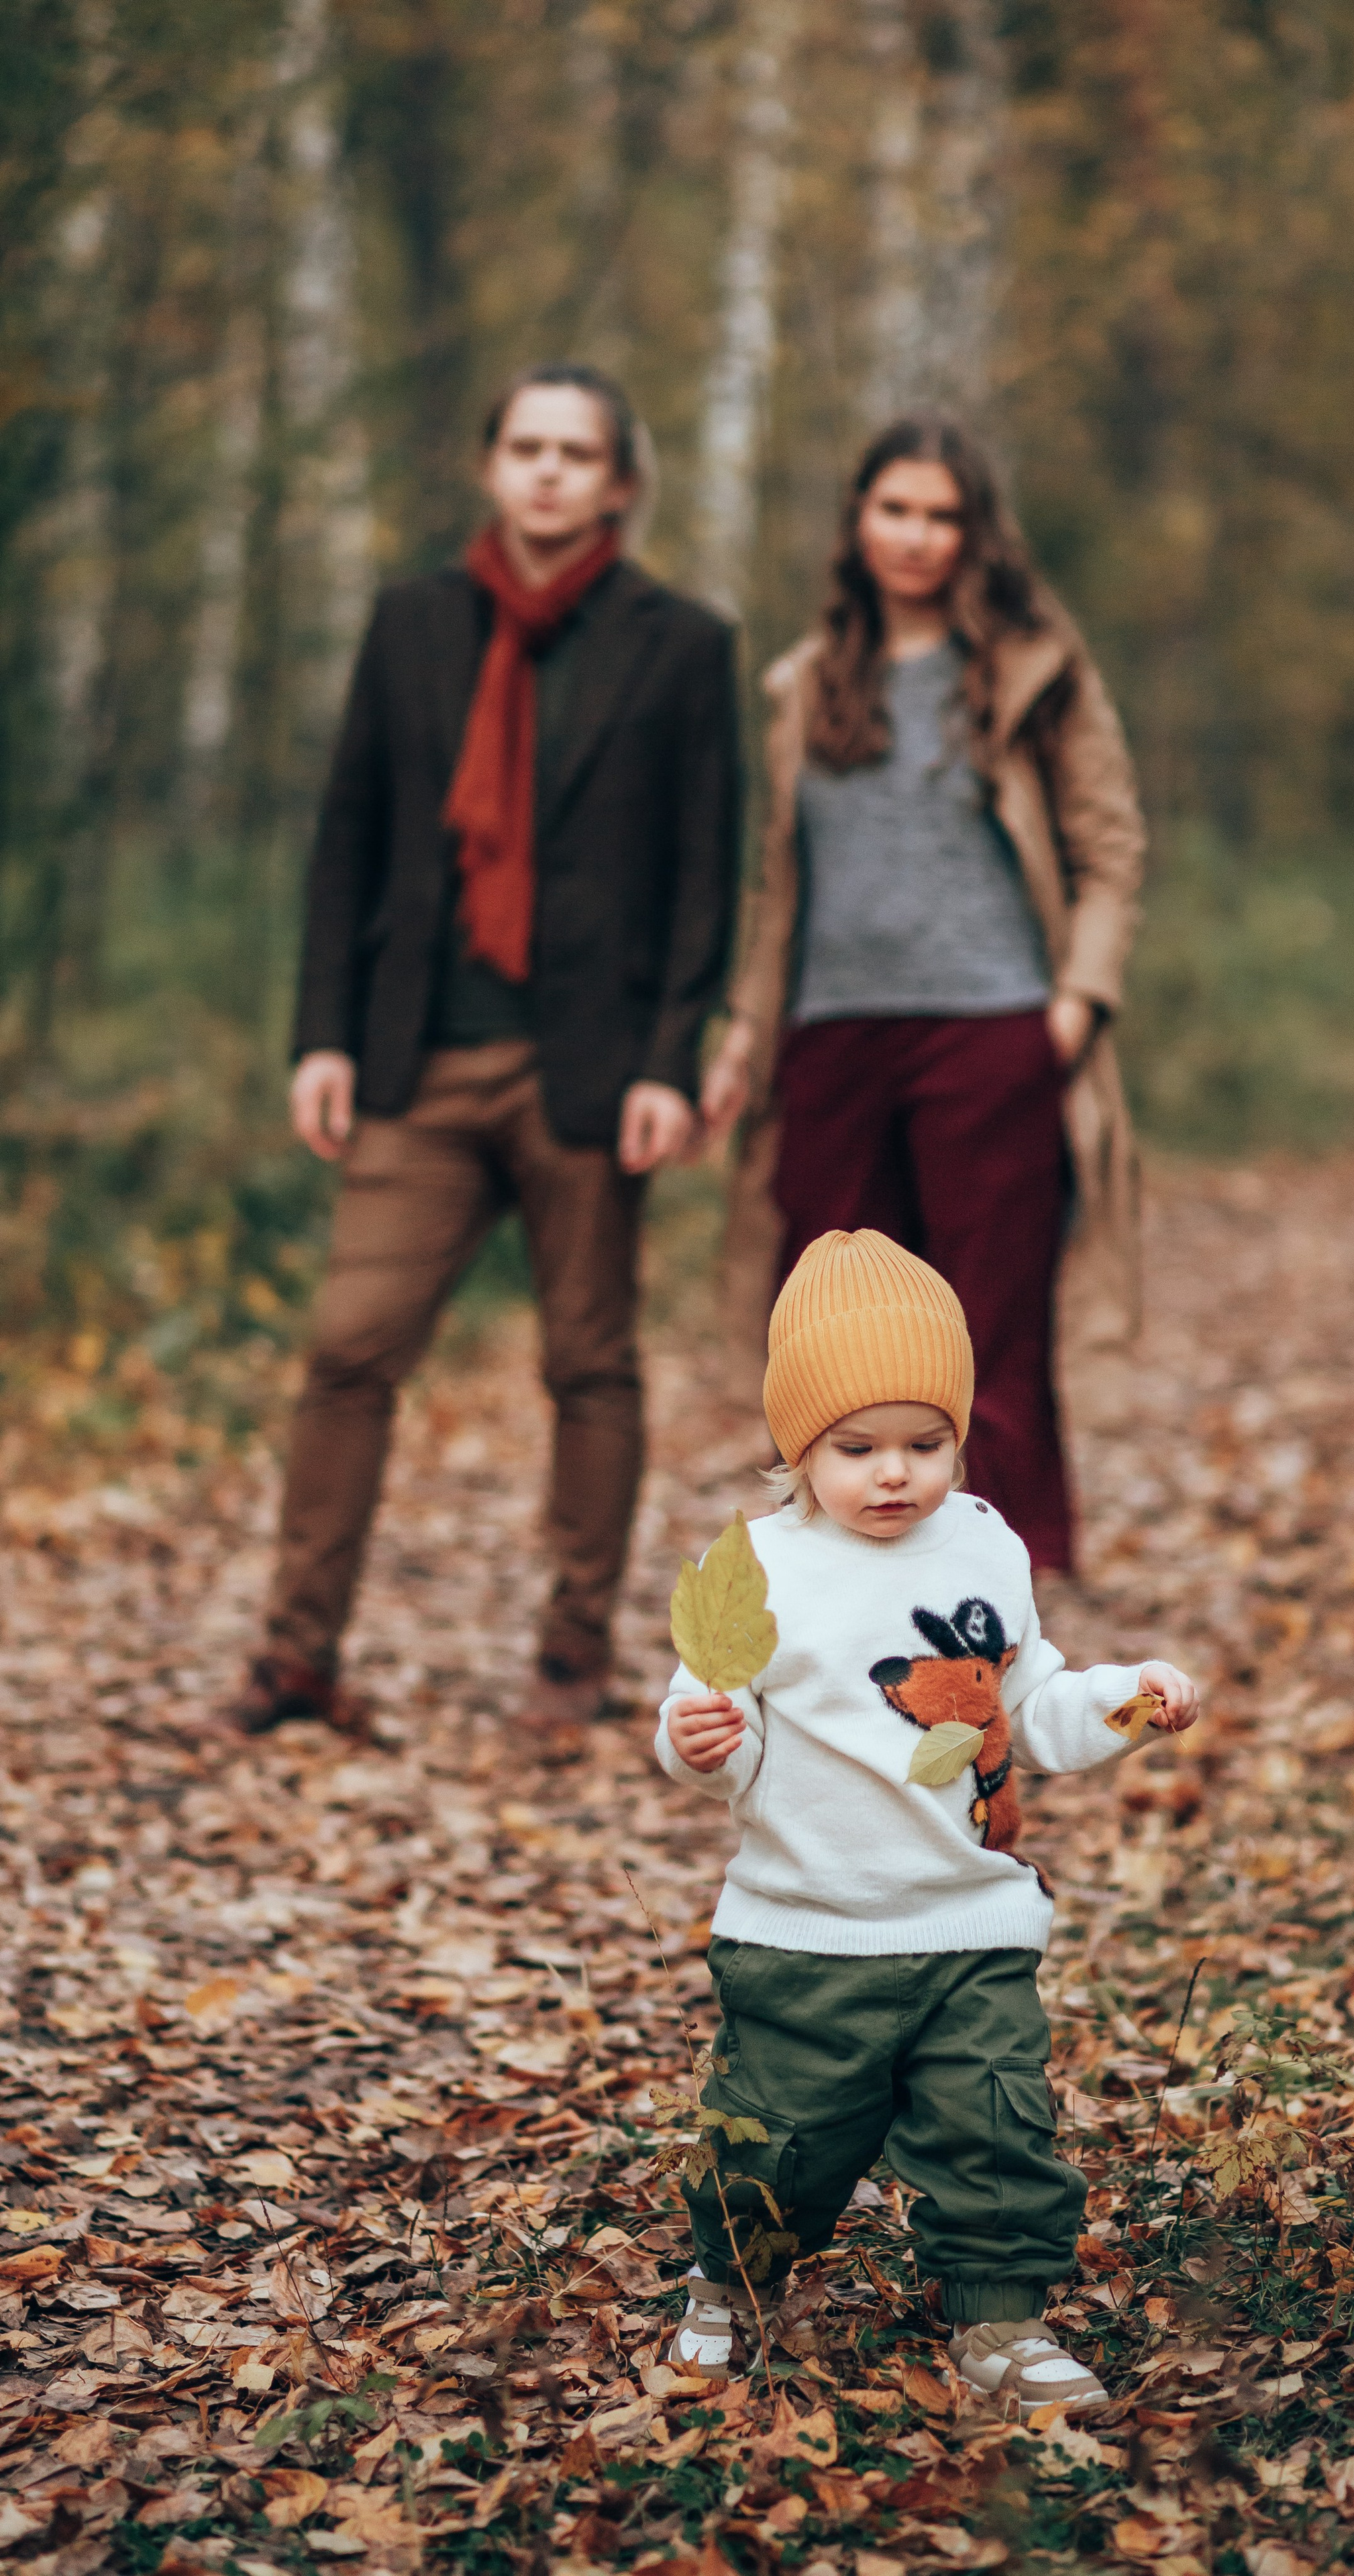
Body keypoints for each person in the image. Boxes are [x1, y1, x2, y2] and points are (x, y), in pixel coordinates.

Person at [236, 364, 741, 1745]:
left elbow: (706, 870)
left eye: (578, 453)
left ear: (619, 484)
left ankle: (570, 1663)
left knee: (589, 1362)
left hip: (589, 1067)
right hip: (419, 1057)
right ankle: (294, 1662)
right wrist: (322, 1033)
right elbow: (349, 837)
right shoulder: (410, 626)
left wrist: (669, 1057)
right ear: (489, 465)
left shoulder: (681, 645)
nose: (548, 473)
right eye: (526, 447)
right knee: (348, 1349)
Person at [654, 1228, 1198, 2408]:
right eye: (856, 1449)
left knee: (996, 2128)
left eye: (925, 1442)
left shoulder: (985, 1544)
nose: (894, 1473)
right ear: (799, 1445)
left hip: (969, 1920)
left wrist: (1120, 1702)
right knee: (777, 2136)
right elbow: (708, 1709)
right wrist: (694, 1741)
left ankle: (1000, 2322)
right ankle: (729, 2283)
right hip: (808, 1927)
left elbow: (1028, 1706)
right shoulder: (756, 1564)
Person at [701, 415, 1145, 1574]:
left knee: (988, 1317)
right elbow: (778, 882)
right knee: (830, 1317)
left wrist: (1076, 1004)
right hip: (833, 1038)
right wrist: (748, 1031)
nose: (918, 536)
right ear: (858, 523)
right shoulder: (804, 685)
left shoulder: (1034, 669)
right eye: (896, 510)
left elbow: (1110, 846)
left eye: (943, 515)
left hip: (991, 1028)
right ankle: (843, 1568)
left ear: (974, 532)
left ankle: (1012, 1568)